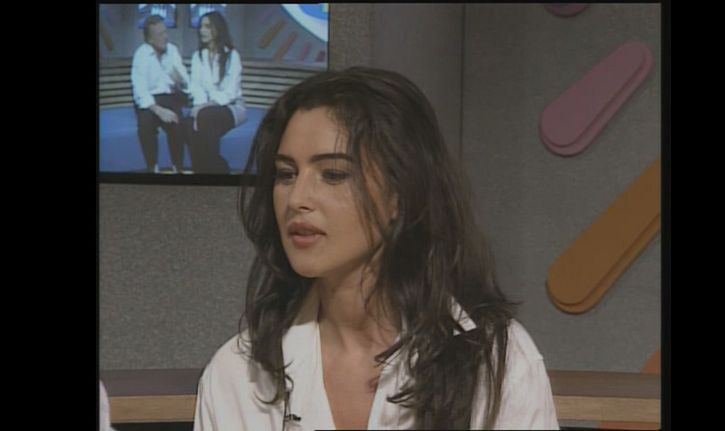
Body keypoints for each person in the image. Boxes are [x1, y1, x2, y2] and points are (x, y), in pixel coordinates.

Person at [193, 67, 559, 430]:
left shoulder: (494, 360)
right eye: (286, 174)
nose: (297, 199)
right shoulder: (237, 373)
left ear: (400, 193)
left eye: (333, 174)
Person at [186, 11, 246, 174]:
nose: (202, 30)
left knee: (205, 117)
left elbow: (231, 92)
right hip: (207, 109)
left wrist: (205, 106)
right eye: (201, 27)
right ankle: (206, 171)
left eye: (207, 27)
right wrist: (200, 105)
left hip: (232, 107)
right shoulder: (198, 56)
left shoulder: (232, 55)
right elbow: (196, 86)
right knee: (189, 125)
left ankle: (214, 170)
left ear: (218, 29)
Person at [131, 14, 190, 174]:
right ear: (150, 40)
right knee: (145, 126)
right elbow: (140, 90)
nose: (166, 37)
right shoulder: (141, 55)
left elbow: (186, 82)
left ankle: (177, 168)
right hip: (149, 101)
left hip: (170, 97)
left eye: (165, 32)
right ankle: (153, 168)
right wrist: (158, 110)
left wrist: (180, 81)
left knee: (177, 123)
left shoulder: (173, 50)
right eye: (160, 34)